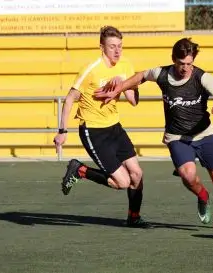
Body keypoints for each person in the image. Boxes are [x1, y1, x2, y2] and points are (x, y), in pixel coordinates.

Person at [94, 37, 213, 224]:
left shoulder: (202, 78)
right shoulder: (162, 74)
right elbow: (141, 76)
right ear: (174, 59)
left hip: (204, 134)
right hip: (177, 137)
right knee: (188, 175)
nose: (185, 68)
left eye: (189, 63)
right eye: (181, 63)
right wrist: (118, 88)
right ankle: (203, 195)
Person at [53, 26, 151, 228]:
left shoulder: (125, 65)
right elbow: (70, 99)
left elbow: (133, 101)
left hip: (114, 127)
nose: (117, 51)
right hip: (94, 131)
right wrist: (62, 131)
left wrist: (126, 83)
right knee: (122, 183)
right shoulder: (91, 69)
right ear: (102, 48)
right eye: (113, 47)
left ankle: (134, 217)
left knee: (137, 174)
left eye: (120, 46)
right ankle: (80, 170)